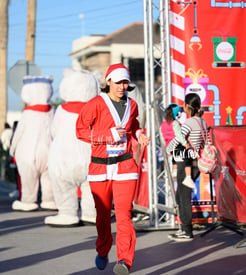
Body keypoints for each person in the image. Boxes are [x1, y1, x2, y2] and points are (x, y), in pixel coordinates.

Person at [76, 63, 150, 275]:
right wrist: (106, 137)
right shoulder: (95, 104)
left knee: (125, 215)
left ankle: (124, 261)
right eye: (118, 82)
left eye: (125, 82)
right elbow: (80, 131)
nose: (122, 86)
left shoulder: (133, 105)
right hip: (100, 169)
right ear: (108, 82)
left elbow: (133, 125)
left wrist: (139, 134)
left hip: (125, 166)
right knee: (102, 216)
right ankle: (102, 249)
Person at [166, 93, 209, 242]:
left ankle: (186, 230)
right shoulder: (202, 122)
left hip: (185, 163)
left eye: (184, 106)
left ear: (187, 107)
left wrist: (168, 149)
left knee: (183, 198)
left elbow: (179, 139)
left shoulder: (189, 123)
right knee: (181, 195)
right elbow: (206, 142)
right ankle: (184, 228)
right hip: (196, 164)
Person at [160, 103, 193, 186]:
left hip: (169, 146)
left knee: (176, 155)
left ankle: (174, 171)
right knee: (188, 156)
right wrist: (185, 143)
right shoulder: (175, 123)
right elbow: (179, 135)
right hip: (177, 144)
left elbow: (162, 137)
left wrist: (167, 147)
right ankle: (188, 177)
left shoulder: (163, 124)